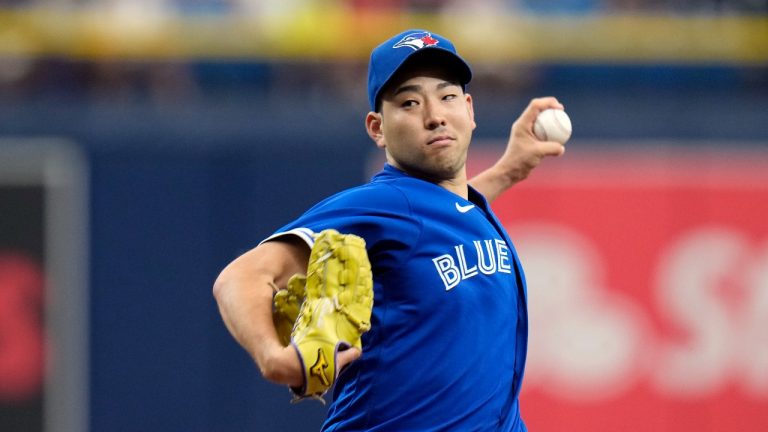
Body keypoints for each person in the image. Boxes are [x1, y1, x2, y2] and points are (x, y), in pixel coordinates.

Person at [213, 29, 566, 431]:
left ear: (469, 109)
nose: (435, 115)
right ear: (377, 127)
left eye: (447, 96)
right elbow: (239, 277)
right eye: (409, 102)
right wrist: (273, 357)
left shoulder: (459, 211)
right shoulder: (386, 203)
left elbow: (442, 220)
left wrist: (507, 171)